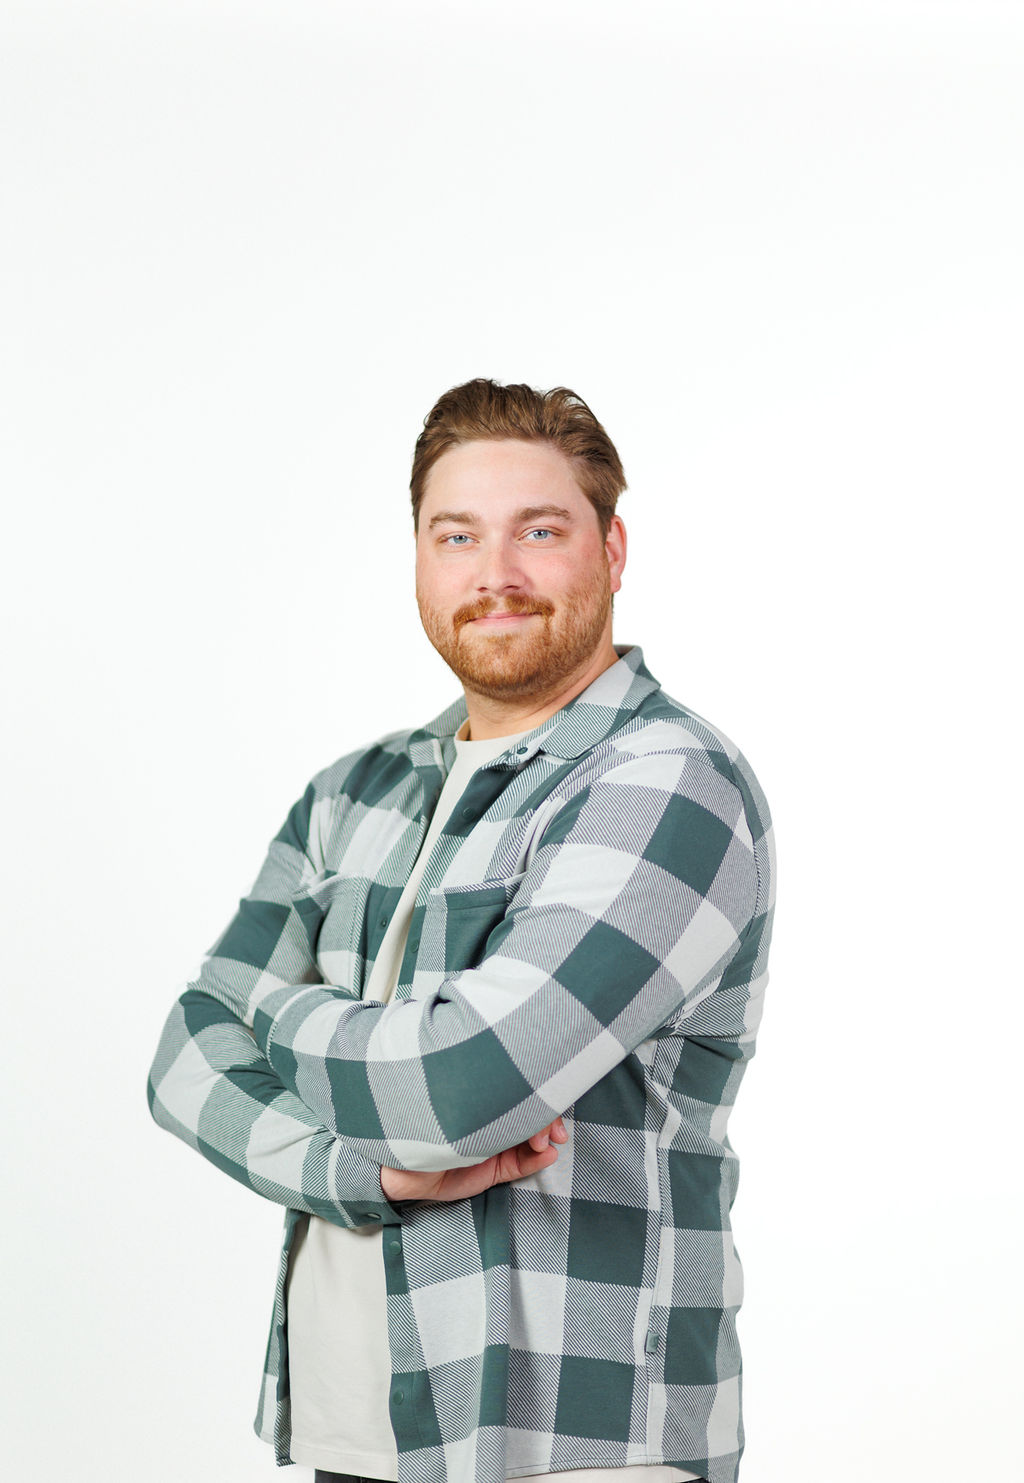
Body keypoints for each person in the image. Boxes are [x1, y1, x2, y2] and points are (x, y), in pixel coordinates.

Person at [148, 378, 775, 1483]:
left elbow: (461, 1087)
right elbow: (180, 1064)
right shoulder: (353, 791)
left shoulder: (666, 780)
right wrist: (365, 1169)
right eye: (457, 536)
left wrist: (268, 1010)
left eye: (540, 530)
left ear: (612, 549)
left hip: (575, 1443)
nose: (496, 574)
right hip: (360, 1432)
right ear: (420, 560)